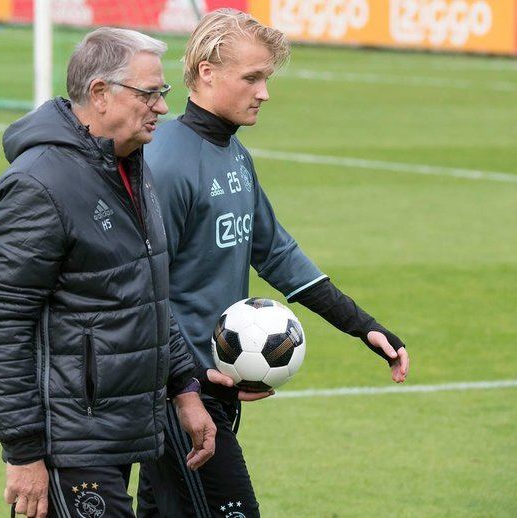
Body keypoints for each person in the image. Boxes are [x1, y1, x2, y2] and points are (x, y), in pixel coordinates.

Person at [136, 9, 410, 517]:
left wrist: (361, 325)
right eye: (253, 77)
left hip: (209, 388)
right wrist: (189, 375)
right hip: (180, 394)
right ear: (206, 73)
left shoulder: (233, 154)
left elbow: (275, 252)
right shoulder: (167, 162)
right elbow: (139, 288)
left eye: (267, 78)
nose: (264, 92)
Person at [0, 27, 222, 518]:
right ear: (100, 94)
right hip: (69, 441)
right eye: (149, 93)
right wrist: (24, 451)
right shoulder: (38, 186)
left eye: (163, 93)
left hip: (122, 426)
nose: (162, 107)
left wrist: (184, 387)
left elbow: (148, 292)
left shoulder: (130, 164)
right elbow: (1, 325)